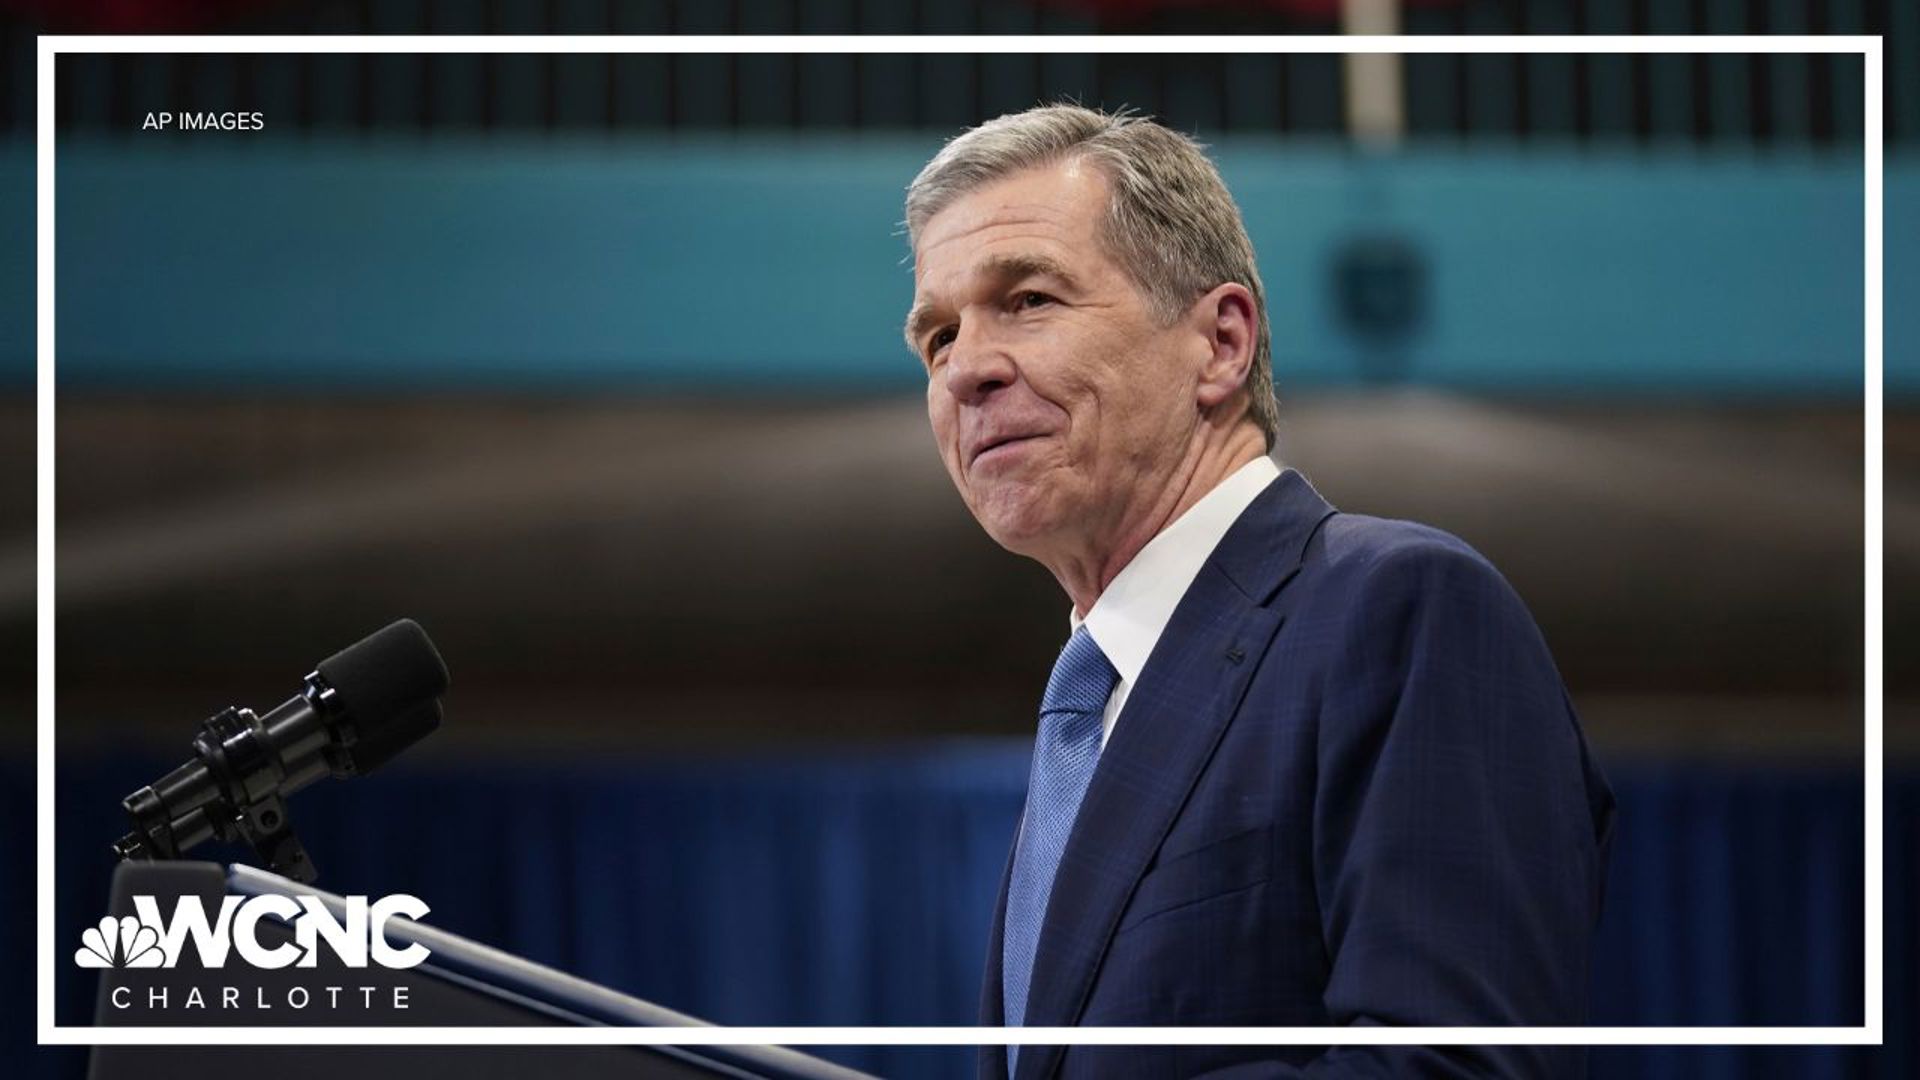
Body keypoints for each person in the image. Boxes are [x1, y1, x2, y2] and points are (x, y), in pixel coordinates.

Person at [902, 104, 1617, 1079]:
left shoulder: (1398, 611)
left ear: (1221, 342)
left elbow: (1454, 1066)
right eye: (938, 337)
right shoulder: (1092, 712)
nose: (968, 370)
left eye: (1027, 299)